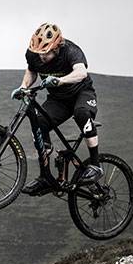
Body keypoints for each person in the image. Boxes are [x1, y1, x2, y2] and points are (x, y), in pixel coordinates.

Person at [11, 23, 103, 196]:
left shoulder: (71, 50)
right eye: (39, 53)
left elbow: (81, 73)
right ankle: (46, 177)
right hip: (58, 100)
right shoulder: (34, 54)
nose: (42, 57)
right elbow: (32, 71)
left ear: (57, 47)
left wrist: (60, 81)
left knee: (81, 113)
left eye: (46, 53)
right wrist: (23, 86)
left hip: (81, 93)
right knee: (39, 123)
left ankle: (96, 166)